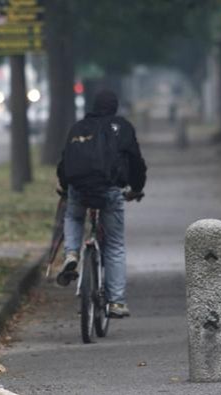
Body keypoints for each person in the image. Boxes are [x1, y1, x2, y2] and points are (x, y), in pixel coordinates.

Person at [56, 90, 146, 318]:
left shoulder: (79, 127)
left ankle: (72, 254)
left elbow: (65, 160)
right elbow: (136, 161)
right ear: (115, 107)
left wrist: (66, 187)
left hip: (79, 188)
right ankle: (116, 302)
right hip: (109, 190)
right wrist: (136, 188)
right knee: (114, 245)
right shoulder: (122, 127)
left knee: (74, 216)